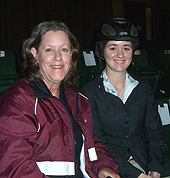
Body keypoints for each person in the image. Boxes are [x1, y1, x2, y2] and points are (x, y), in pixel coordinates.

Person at [0, 20, 120, 178]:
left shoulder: (78, 99)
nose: (58, 57)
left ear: (71, 55)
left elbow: (94, 144)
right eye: (49, 50)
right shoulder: (18, 99)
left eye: (64, 49)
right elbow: (14, 164)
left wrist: (104, 167)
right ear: (35, 54)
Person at [81, 18, 170, 178]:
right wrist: (138, 176)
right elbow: (97, 144)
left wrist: (155, 170)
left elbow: (155, 135)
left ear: (134, 51)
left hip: (148, 163)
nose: (120, 55)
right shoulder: (88, 93)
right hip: (114, 168)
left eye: (126, 48)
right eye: (113, 48)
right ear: (101, 52)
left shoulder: (144, 88)